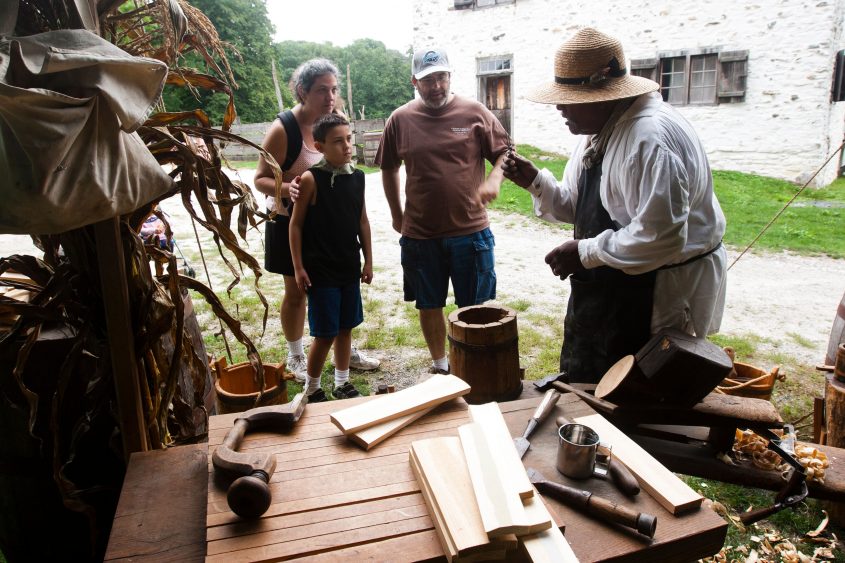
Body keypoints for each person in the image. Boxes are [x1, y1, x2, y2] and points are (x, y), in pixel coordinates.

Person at [502, 27, 727, 384]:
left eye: (567, 98)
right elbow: (579, 207)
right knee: (593, 383)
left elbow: (660, 238)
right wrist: (534, 182)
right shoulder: (599, 132)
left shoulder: (648, 140)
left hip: (654, 291)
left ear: (602, 95)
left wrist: (586, 252)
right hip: (611, 287)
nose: (559, 107)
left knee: (643, 391)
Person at [375, 47, 510, 375]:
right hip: (421, 234)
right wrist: (396, 214)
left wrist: (494, 179)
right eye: (428, 80)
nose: (436, 86)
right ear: (414, 82)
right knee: (429, 302)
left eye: (441, 77)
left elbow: (506, 152)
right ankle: (440, 365)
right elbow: (389, 167)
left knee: (474, 306)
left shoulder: (474, 112)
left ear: (449, 76)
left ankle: (474, 363)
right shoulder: (400, 119)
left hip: (471, 231)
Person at [254, 58, 379, 382]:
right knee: (296, 292)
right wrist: (288, 186)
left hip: (327, 226)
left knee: (338, 287)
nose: (330, 96)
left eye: (334, 89)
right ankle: (296, 356)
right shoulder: (284, 129)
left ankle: (345, 352)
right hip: (287, 220)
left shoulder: (336, 120)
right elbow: (260, 179)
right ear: (302, 91)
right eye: (322, 90)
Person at [288, 113, 373, 402]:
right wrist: (298, 267)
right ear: (320, 146)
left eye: (349, 139)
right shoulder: (312, 179)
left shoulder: (358, 177)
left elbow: (363, 221)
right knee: (325, 333)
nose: (346, 146)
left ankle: (341, 382)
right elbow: (295, 225)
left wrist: (368, 260)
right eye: (338, 141)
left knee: (346, 328)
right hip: (321, 271)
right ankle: (311, 388)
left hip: (348, 267)